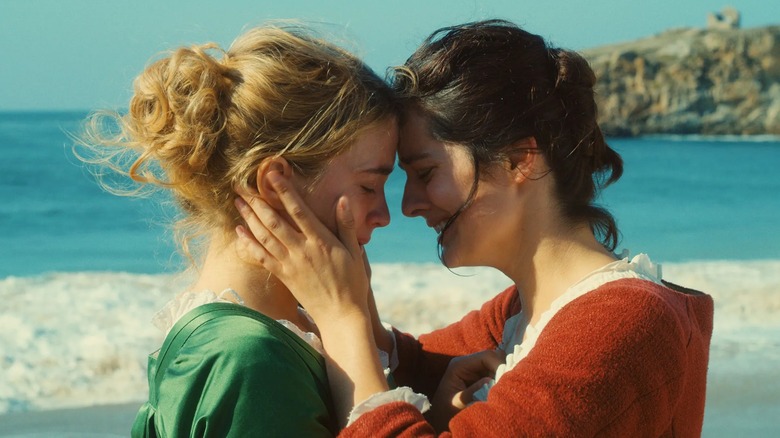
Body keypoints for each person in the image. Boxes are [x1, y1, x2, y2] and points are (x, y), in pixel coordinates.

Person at [233, 19, 714, 436]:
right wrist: (349, 294)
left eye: (425, 174)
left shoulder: (621, 323)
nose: (408, 205)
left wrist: (341, 317)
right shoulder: (516, 314)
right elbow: (412, 363)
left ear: (517, 161)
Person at [78, 23, 399, 437]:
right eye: (369, 186)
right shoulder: (250, 360)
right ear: (275, 185)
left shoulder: (268, 337)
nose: (385, 214)